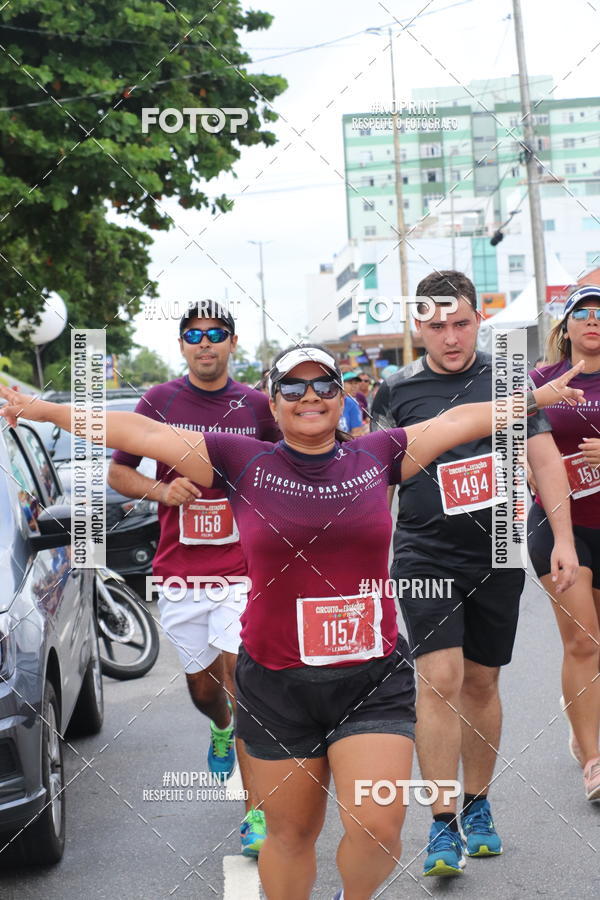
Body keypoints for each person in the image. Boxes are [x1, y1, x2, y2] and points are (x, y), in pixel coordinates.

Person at [0, 351, 584, 900]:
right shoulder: (239, 459)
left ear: (340, 398)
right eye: (294, 386)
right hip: (277, 683)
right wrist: (41, 409)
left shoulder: (377, 454)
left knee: (380, 828)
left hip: (370, 679)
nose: (311, 395)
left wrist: (528, 399)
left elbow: (458, 419)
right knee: (290, 836)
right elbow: (142, 435)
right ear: (273, 403)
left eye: (324, 384)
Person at [371, 270, 580, 878]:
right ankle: (440, 823)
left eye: (461, 323)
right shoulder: (395, 389)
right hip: (422, 555)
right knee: (438, 678)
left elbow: (544, 458)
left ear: (477, 321)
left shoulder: (507, 377)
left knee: (482, 685)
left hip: (495, 555)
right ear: (418, 327)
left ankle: (478, 803)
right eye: (436, 326)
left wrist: (563, 539)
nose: (451, 337)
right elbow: (377, 478)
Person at [107, 301, 281, 857]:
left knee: (241, 681)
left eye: (216, 334)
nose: (205, 343)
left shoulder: (256, 406)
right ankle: (220, 728)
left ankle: (255, 813)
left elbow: (288, 462)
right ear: (182, 346)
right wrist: (162, 491)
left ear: (233, 343)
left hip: (241, 572)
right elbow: (118, 471)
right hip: (180, 573)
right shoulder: (159, 402)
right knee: (205, 690)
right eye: (194, 335)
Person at [528, 284, 600, 801]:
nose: (593, 321)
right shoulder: (539, 380)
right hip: (561, 530)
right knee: (582, 642)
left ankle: (582, 725)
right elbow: (494, 430)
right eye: (583, 313)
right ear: (566, 325)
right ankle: (594, 759)